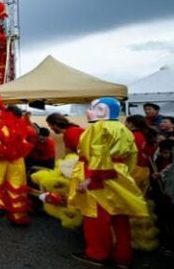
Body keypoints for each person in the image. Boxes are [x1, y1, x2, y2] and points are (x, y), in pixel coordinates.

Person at [68, 97, 149, 267]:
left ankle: (97, 254)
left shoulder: (97, 128)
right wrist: (123, 175)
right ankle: (123, 257)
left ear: (102, 110)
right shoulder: (124, 130)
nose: (88, 112)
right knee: (120, 218)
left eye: (93, 108)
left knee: (96, 218)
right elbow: (131, 157)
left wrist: (90, 179)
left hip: (98, 179)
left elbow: (99, 156)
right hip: (119, 177)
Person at [0, 99, 35, 226]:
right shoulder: (23, 125)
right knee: (16, 185)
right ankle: (18, 216)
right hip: (17, 159)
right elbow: (33, 135)